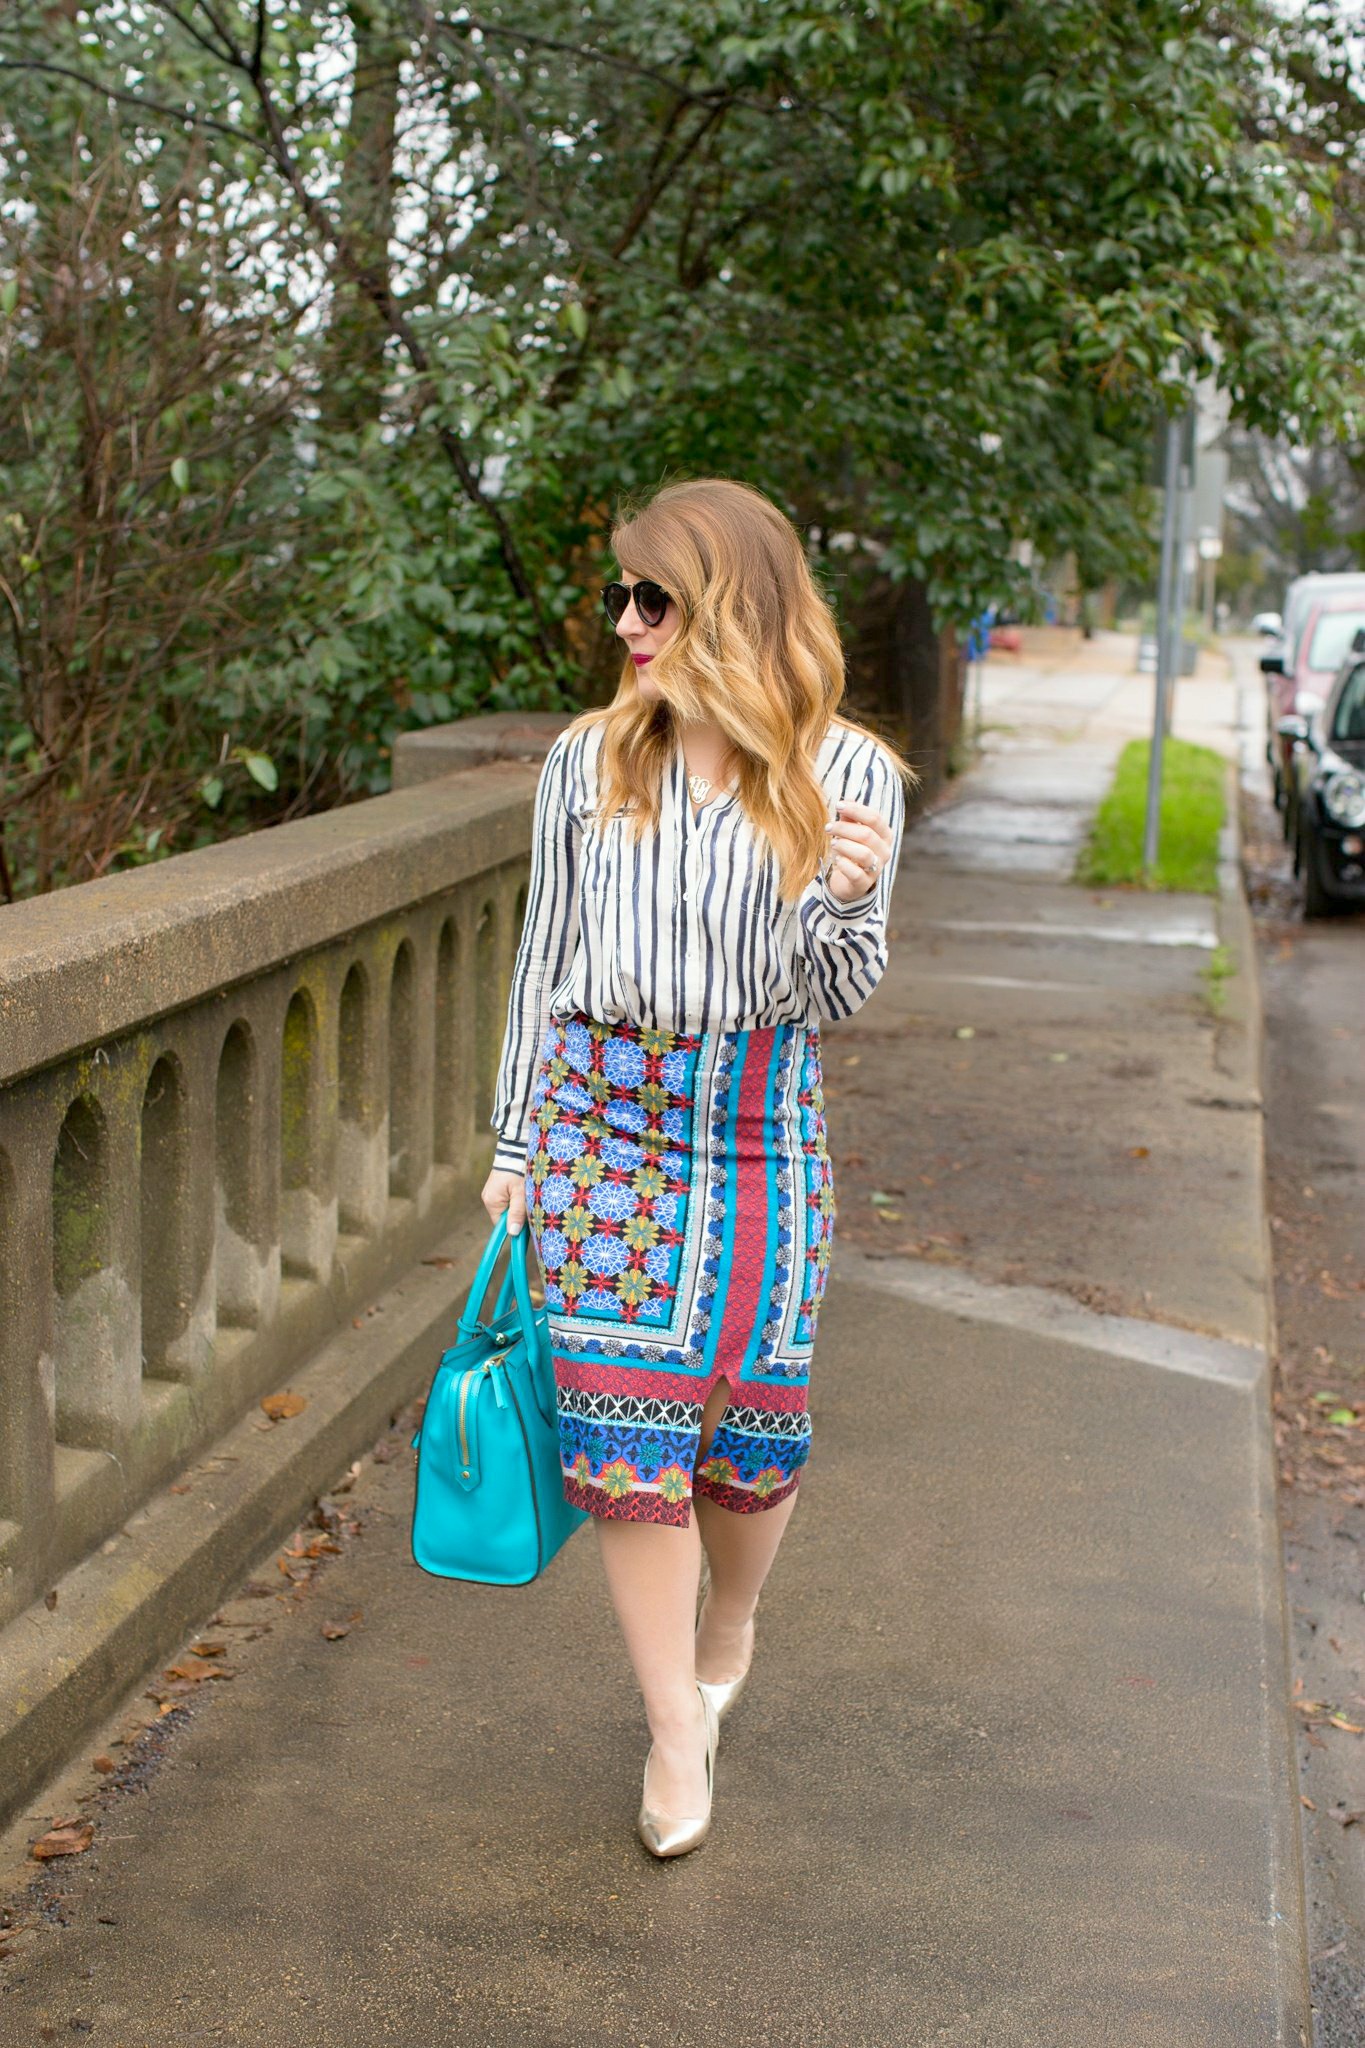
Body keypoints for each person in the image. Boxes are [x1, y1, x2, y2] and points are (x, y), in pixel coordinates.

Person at [482, 476, 912, 1858]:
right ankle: (675, 1730)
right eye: (618, 596)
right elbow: (542, 962)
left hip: (755, 1121)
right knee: (624, 1436)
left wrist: (840, 900)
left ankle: (732, 1618)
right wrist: (515, 1144)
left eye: (650, 597)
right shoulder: (583, 763)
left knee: (751, 1431)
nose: (625, 622)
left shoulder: (845, 775)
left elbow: (831, 997)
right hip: (601, 1119)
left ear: (728, 602)